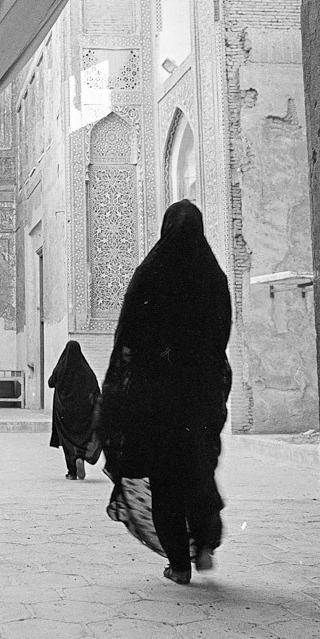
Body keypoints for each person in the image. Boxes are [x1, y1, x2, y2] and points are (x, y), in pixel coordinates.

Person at [97, 199, 232, 585]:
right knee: (199, 469)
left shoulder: (150, 273)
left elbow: (127, 338)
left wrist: (120, 392)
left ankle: (179, 565)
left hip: (155, 399)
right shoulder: (214, 277)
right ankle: (204, 543)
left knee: (165, 480)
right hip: (199, 395)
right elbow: (220, 338)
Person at [48, 340, 102, 480]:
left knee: (67, 440)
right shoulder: (86, 371)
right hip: (83, 413)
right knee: (82, 438)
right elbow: (95, 389)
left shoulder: (61, 369)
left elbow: (50, 383)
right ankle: (80, 457)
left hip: (65, 413)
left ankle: (72, 472)